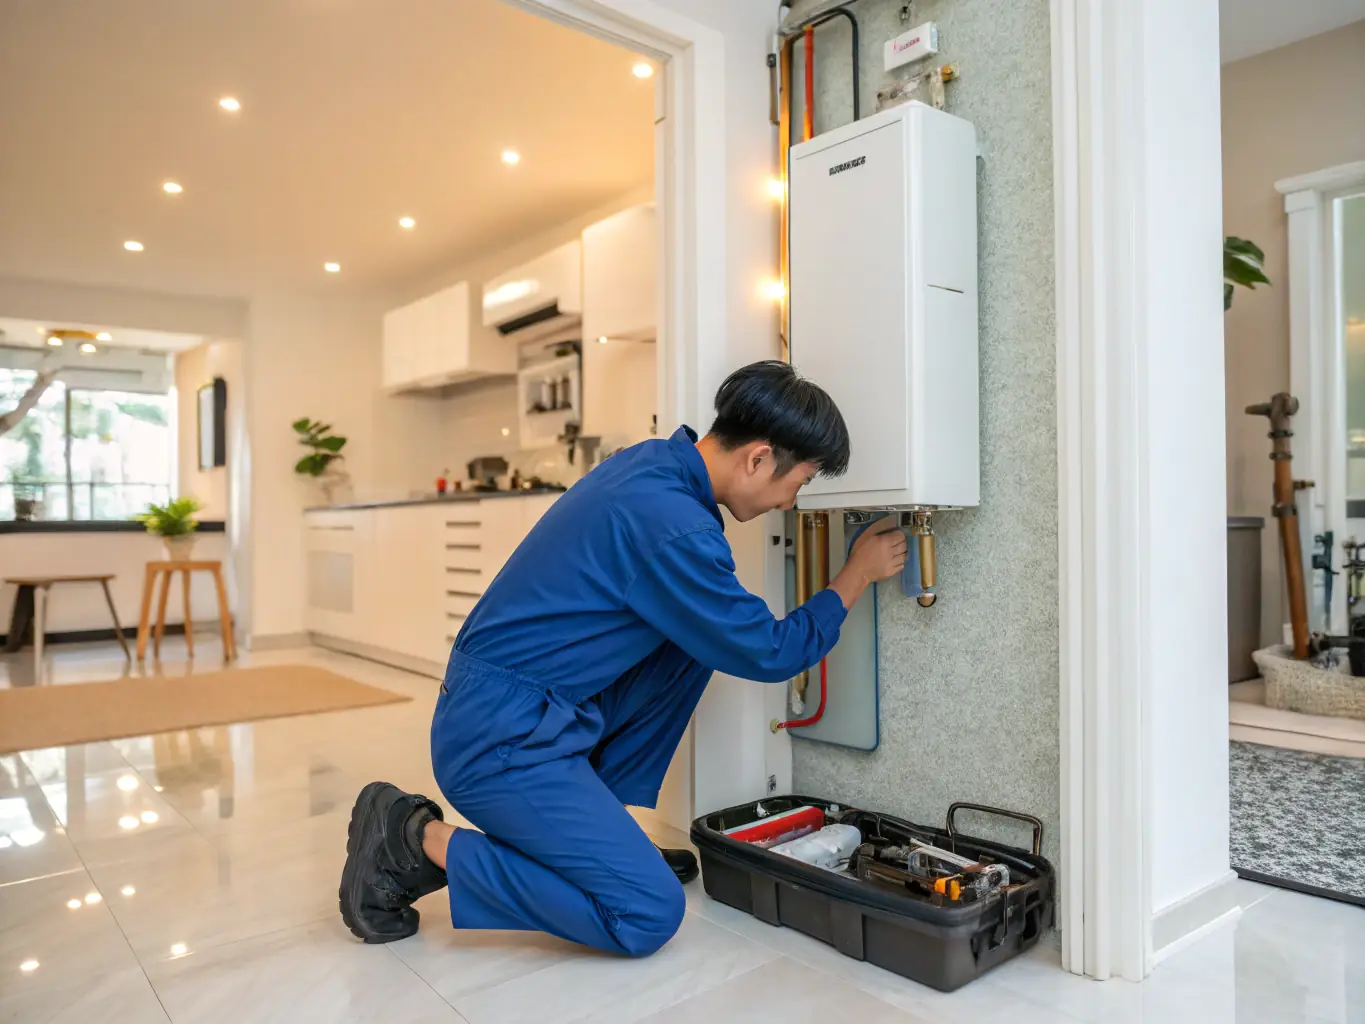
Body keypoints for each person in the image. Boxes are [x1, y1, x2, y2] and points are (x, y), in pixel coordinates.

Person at [338, 360, 907, 957]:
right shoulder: (674, 526)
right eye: (801, 481)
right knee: (644, 912)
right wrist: (854, 576)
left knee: (693, 640)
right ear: (759, 459)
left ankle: (601, 837)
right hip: (497, 741)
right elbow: (770, 651)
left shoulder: (654, 468)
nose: (793, 501)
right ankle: (409, 835)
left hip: (520, 711)